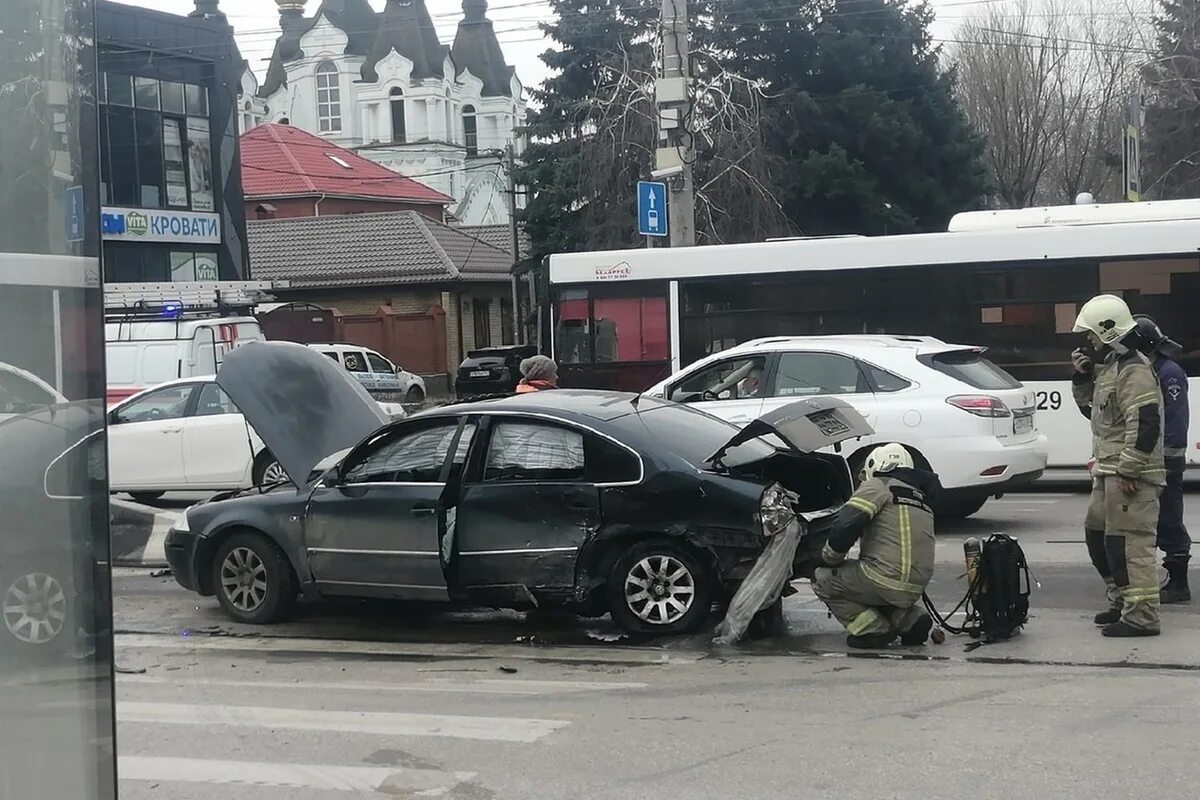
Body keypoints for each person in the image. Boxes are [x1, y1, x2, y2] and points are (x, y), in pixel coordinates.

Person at [1071, 294, 1166, 637]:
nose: (1089, 342)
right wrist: (1082, 379)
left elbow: (1145, 423)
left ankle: (1142, 616)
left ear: (1108, 331)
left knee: (1132, 545)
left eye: (1092, 334)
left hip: (1129, 475)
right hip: (1109, 471)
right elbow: (1097, 417)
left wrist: (1130, 468)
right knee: (1098, 536)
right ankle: (1122, 600)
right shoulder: (1111, 367)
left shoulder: (1134, 370)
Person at [812, 442, 939, 648]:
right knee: (871, 585)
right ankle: (909, 619)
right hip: (916, 584)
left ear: (875, 465)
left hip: (883, 578)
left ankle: (872, 630)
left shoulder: (879, 485)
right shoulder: (920, 496)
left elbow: (846, 524)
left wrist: (829, 557)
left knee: (823, 579)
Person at [1132, 315, 1190, 603]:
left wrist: (1166, 461)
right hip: (1153, 461)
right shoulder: (1149, 370)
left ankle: (1179, 584)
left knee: (1168, 518)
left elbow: (1175, 422)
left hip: (1165, 462)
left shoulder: (1169, 373)